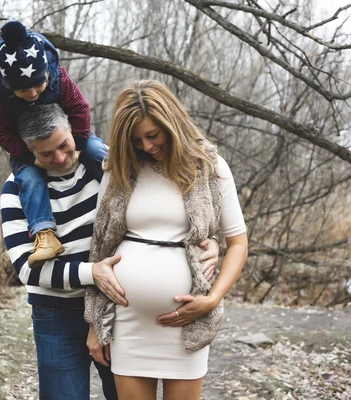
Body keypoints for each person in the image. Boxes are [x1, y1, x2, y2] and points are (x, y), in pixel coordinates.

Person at [0, 103, 221, 400]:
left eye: (64, 145)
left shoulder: (107, 168)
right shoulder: (16, 189)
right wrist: (93, 273)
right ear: (29, 151)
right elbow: (26, 268)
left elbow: (155, 218)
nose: (61, 157)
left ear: (72, 130)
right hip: (55, 312)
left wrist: (207, 241)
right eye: (46, 154)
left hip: (114, 308)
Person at [85, 80, 248, 400]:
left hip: (186, 325)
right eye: (135, 140)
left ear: (171, 124)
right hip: (127, 323)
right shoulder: (118, 170)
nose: (146, 146)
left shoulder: (208, 166)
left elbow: (239, 244)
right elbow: (100, 249)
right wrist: (95, 324)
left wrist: (212, 299)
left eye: (152, 135)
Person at [0, 20, 107, 267]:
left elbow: (80, 109)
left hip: (71, 133)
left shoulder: (59, 78)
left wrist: (80, 141)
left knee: (97, 153)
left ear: (46, 74)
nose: (32, 95)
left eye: (38, 87)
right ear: (8, 87)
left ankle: (125, 189)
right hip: (27, 147)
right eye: (23, 92)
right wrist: (31, 158)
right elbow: (1, 132)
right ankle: (44, 234)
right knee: (29, 179)